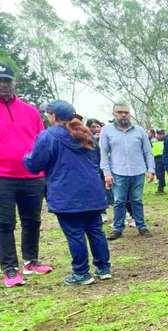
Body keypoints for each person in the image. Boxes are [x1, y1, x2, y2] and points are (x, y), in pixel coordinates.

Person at [24, 100, 112, 285]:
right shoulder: (86, 134)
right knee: (95, 230)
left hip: (66, 194)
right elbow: (96, 160)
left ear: (53, 116)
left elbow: (35, 164)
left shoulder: (49, 136)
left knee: (75, 233)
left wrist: (26, 157)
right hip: (92, 191)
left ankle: (81, 273)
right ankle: (104, 268)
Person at [0, 63, 52, 288]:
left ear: (14, 83)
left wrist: (45, 169)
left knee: (32, 221)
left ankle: (31, 261)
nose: (3, 85)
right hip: (3, 178)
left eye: (6, 81)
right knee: (5, 223)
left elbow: (43, 142)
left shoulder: (30, 111)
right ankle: (10, 268)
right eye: (0, 81)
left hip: (32, 176)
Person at [99, 103, 156, 240]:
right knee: (119, 201)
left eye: (126, 112)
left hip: (138, 171)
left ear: (130, 114)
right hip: (118, 172)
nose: (123, 115)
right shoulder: (107, 130)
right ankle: (117, 228)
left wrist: (151, 169)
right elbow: (104, 153)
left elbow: (148, 152)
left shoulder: (139, 131)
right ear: (114, 114)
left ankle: (141, 226)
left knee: (137, 200)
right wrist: (107, 173)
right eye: (119, 112)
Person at [152, 129, 168, 193]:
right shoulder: (153, 141)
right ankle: (160, 189)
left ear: (164, 134)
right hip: (157, 159)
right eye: (158, 134)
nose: (159, 135)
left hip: (167, 158)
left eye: (161, 134)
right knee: (159, 175)